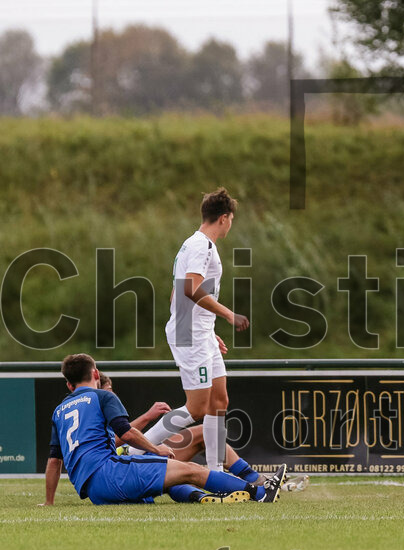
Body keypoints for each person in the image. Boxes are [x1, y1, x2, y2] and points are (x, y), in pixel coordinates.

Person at [41, 354, 276, 506]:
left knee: (166, 482)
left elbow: (54, 461)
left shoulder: (59, 411)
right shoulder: (102, 396)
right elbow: (126, 433)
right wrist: (156, 449)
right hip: (111, 473)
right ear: (95, 374)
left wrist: (49, 502)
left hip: (94, 492)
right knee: (191, 469)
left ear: (69, 385)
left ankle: (204, 496)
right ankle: (260, 492)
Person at [142, 188, 251, 475]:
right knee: (197, 407)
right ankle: (133, 449)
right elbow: (190, 288)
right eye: (231, 219)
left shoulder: (194, 244)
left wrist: (208, 328)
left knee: (219, 401)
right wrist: (228, 314)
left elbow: (176, 293)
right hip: (189, 332)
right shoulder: (201, 245)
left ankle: (216, 473)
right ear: (224, 218)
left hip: (198, 330)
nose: (230, 224)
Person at [98, 372, 297, 492]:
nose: (112, 394)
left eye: (112, 389)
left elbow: (122, 432)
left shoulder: (95, 406)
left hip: (136, 454)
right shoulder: (96, 407)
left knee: (203, 432)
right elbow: (119, 437)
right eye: (108, 390)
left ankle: (251, 478)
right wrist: (147, 417)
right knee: (198, 423)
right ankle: (247, 481)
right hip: (125, 462)